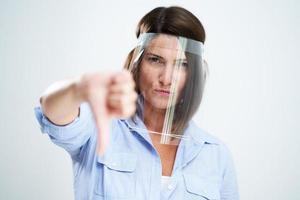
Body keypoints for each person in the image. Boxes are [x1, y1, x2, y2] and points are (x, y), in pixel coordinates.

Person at [34, 6, 239, 200]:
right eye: (155, 59)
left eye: (182, 64)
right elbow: (52, 111)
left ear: (194, 74)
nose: (167, 78)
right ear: (138, 63)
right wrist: (79, 88)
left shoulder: (215, 154)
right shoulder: (99, 127)